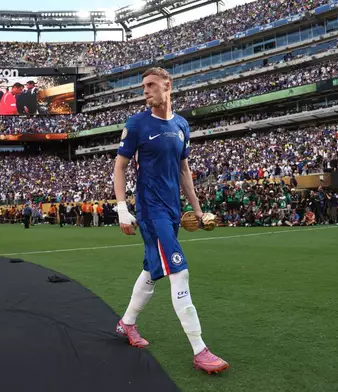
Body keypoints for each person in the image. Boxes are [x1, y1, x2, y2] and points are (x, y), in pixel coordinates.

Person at [113, 67, 229, 374]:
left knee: (152, 271)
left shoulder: (181, 125)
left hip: (173, 209)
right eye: (143, 86)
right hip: (151, 211)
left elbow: (184, 171)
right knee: (179, 270)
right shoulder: (137, 124)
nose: (146, 90)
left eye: (151, 85)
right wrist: (122, 208)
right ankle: (199, 349)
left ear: (168, 86)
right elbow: (120, 167)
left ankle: (126, 324)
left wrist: (199, 209)